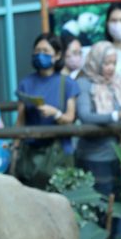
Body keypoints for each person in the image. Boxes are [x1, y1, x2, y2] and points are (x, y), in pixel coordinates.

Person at [75, 41, 121, 239]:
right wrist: (117, 116)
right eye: (106, 63)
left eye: (114, 63)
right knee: (101, 206)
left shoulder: (117, 81)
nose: (110, 68)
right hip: (96, 157)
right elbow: (85, 115)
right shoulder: (84, 83)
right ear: (96, 62)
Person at [13, 32, 79, 189]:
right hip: (30, 153)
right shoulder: (26, 83)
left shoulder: (67, 83)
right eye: (37, 51)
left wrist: (55, 113)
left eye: (45, 51)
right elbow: (20, 120)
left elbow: (70, 117)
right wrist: (15, 148)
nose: (40, 55)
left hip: (58, 151)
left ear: (57, 55)